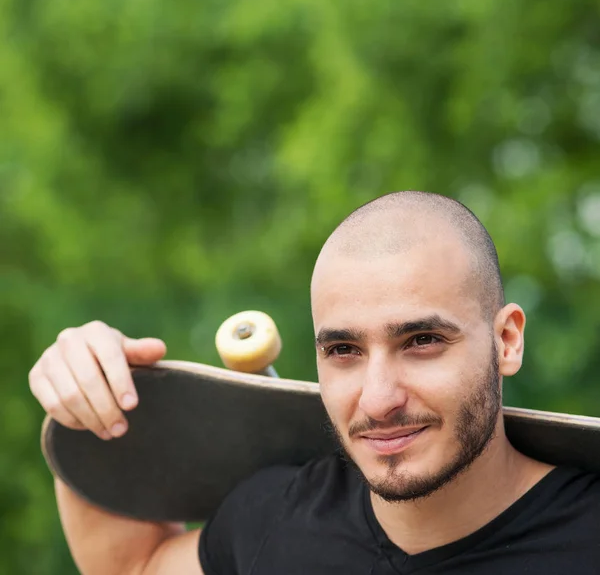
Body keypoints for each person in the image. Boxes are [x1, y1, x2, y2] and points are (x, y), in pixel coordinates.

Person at [29, 191, 600, 575]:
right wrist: (87, 396)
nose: (378, 399)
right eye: (344, 350)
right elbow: (134, 567)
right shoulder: (279, 515)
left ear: (507, 341)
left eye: (422, 341)